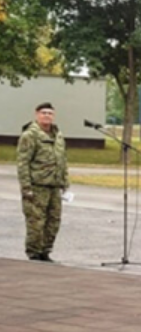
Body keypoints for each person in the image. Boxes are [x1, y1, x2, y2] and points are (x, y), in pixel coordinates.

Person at [17, 102, 69, 262]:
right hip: (37, 186)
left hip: (54, 186)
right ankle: (34, 254)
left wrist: (65, 182)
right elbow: (23, 163)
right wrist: (26, 187)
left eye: (50, 113)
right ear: (36, 114)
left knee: (53, 221)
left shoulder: (58, 135)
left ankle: (46, 251)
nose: (47, 116)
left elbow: (62, 160)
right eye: (44, 113)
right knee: (36, 222)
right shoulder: (29, 135)